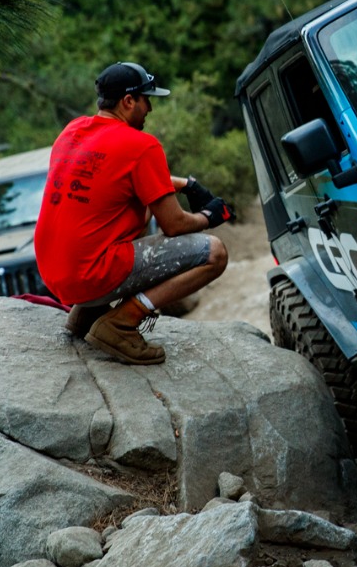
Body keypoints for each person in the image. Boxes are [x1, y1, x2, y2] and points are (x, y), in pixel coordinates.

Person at [34, 61, 232, 364]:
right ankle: (121, 322)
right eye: (146, 99)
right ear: (128, 101)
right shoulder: (141, 145)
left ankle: (85, 314)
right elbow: (175, 225)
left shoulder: (72, 132)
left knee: (134, 214)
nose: (150, 108)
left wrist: (183, 184)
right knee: (215, 253)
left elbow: (114, 180)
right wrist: (209, 216)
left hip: (54, 273)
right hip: (91, 274)